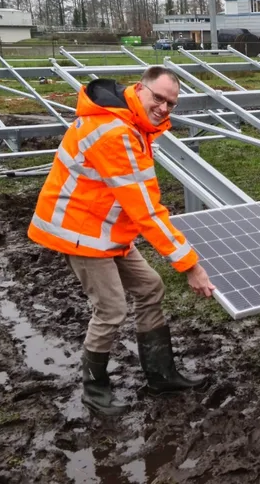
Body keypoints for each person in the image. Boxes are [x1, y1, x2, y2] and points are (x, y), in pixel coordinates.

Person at [28, 66, 215, 416]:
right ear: (139, 89)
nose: (163, 108)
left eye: (171, 104)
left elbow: (132, 199)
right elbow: (146, 210)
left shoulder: (131, 123)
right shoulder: (116, 132)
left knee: (150, 287)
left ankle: (161, 375)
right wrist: (190, 265)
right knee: (111, 309)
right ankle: (94, 391)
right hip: (80, 232)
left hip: (106, 228)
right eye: (158, 98)